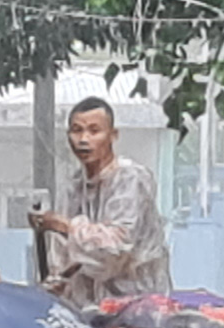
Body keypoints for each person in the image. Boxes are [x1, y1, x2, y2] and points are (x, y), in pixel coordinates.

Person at [28, 96, 172, 309]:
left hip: (138, 309)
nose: (83, 139)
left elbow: (115, 249)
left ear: (113, 135)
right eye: (76, 130)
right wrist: (57, 283)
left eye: (94, 131)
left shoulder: (130, 179)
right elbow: (67, 260)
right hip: (89, 313)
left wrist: (65, 226)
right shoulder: (74, 187)